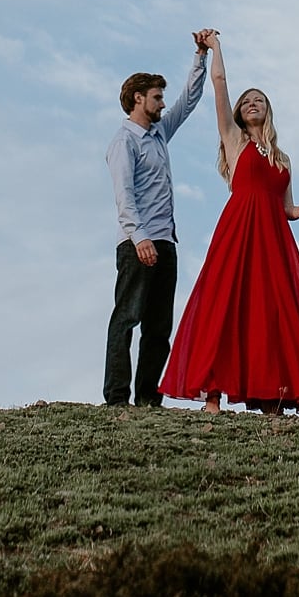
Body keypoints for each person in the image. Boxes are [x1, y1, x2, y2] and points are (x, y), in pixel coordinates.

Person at [159, 29, 299, 414]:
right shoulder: (234, 140)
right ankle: (212, 395)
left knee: (271, 312)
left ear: (268, 111)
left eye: (260, 101)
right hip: (239, 231)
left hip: (274, 240)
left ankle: (272, 397)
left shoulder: (282, 158)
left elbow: (284, 204)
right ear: (238, 111)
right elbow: (219, 83)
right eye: (247, 101)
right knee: (225, 305)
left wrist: (297, 212)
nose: (252, 104)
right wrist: (215, 48)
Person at [104, 31, 210, 408]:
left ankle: (148, 398)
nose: (163, 103)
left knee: (159, 327)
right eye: (157, 97)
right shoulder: (124, 142)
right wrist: (140, 237)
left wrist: (200, 57)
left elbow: (190, 101)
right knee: (127, 318)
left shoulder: (160, 133)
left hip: (166, 242)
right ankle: (117, 400)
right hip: (137, 243)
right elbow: (124, 196)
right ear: (138, 98)